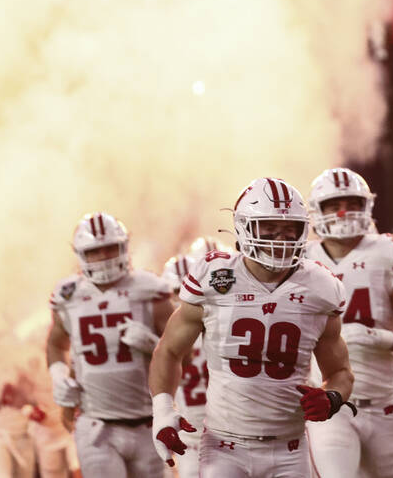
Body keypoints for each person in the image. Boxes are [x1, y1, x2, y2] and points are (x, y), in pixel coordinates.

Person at [148, 178, 353, 478]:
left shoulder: (321, 287)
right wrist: (163, 411)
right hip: (224, 447)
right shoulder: (215, 276)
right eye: (269, 228)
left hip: (289, 448)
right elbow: (168, 350)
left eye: (289, 229)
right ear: (244, 226)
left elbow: (341, 373)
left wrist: (332, 397)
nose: (279, 239)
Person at [300, 168, 393, 478]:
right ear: (317, 211)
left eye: (352, 202)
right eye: (334, 204)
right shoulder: (300, 259)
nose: (343, 212)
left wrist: (376, 337)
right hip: (330, 401)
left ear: (367, 206)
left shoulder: (388, 250)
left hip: (383, 402)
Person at [46, 212, 172, 478]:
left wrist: (154, 345)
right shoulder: (68, 295)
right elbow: (56, 343)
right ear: (81, 254)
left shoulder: (149, 288)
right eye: (95, 251)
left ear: (124, 248)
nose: (103, 257)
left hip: (147, 423)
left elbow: (184, 348)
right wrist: (58, 377)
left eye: (109, 248)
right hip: (96, 424)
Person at [158, 237, 220, 478]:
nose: (184, 297)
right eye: (177, 291)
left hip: (233, 431)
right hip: (190, 439)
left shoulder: (223, 321)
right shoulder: (163, 331)